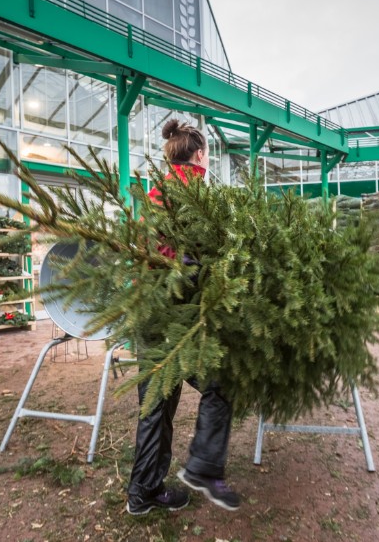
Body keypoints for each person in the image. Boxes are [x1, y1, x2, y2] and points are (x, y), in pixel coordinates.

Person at [125, 119, 241, 516]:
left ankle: (142, 493)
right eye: (207, 154)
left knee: (155, 407)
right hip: (178, 317)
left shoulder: (158, 192)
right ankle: (204, 467)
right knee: (221, 383)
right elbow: (200, 256)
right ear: (201, 155)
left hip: (149, 312)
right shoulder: (193, 191)